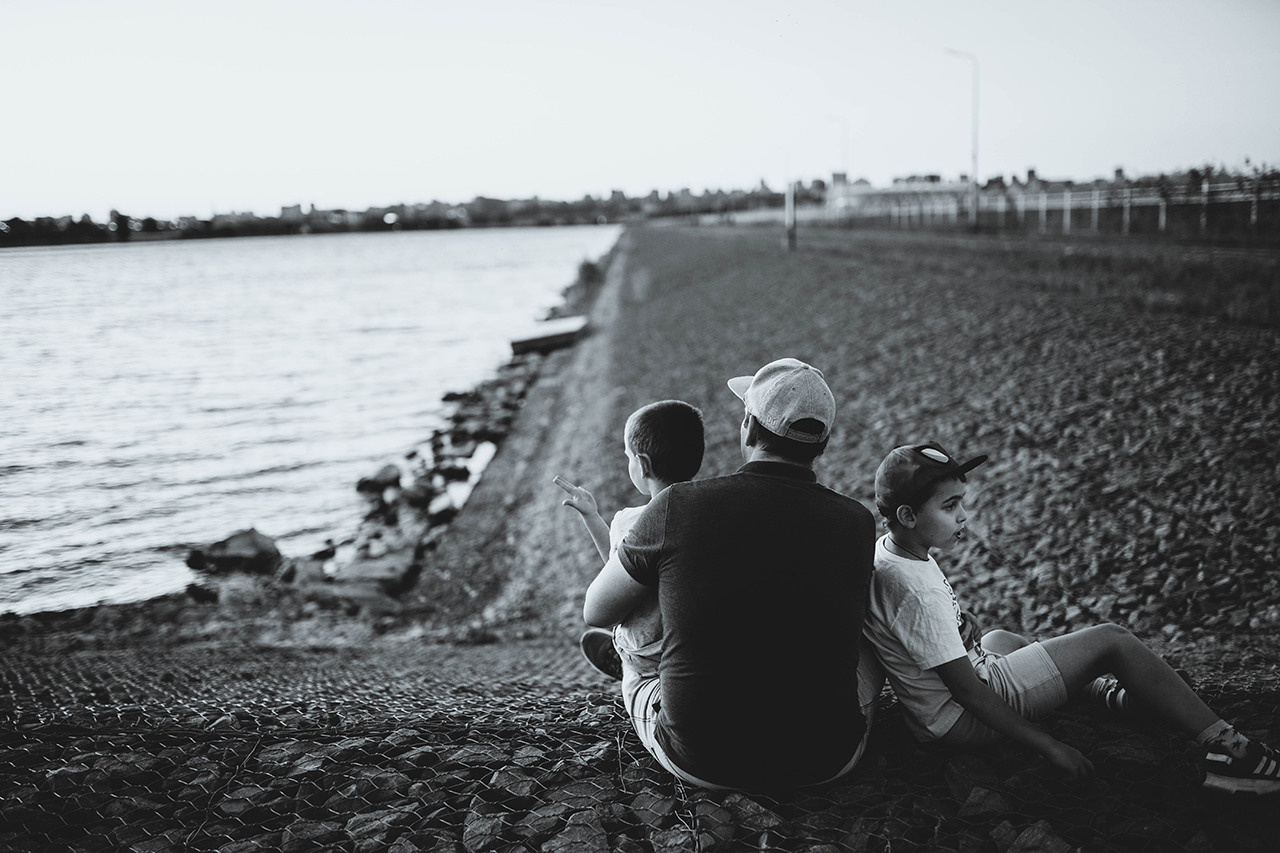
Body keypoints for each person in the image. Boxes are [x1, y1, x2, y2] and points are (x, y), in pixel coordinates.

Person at [863, 441, 1280, 794]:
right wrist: (1048, 745)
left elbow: (915, 634)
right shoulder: (917, 591)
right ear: (908, 516)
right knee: (1112, 639)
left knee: (1001, 637)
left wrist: (955, 627)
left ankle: (1104, 696)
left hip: (941, 706)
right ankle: (1228, 749)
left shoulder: (891, 552)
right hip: (963, 716)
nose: (963, 517)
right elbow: (970, 692)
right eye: (950, 506)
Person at [581, 357, 883, 792]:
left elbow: (597, 610)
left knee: (639, 659)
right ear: (822, 443)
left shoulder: (677, 506)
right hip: (827, 761)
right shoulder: (857, 523)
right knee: (866, 640)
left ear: (747, 427)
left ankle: (640, 673)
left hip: (702, 760)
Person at [554, 399, 706, 682]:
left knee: (624, 641)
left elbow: (615, 576)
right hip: (697, 649)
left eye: (628, 456)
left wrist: (592, 517)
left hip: (654, 660)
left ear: (643, 465)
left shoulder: (632, 522)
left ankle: (622, 661)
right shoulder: (710, 511)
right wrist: (593, 516)